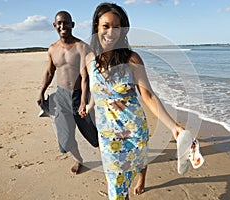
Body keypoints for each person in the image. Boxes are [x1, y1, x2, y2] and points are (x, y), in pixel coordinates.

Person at [81, 3, 198, 199]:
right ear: (96, 27)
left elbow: (149, 96)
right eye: (106, 26)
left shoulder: (132, 60)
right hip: (107, 136)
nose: (111, 32)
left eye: (116, 27)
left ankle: (141, 178)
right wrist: (89, 105)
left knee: (137, 163)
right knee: (117, 187)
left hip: (133, 130)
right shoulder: (89, 59)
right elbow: (97, 91)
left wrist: (173, 127)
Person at [37, 11, 98, 175]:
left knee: (94, 136)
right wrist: (41, 92)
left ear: (73, 24)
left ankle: (115, 148)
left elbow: (85, 77)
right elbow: (49, 73)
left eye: (66, 22)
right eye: (59, 23)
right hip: (61, 97)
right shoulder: (52, 49)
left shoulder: (82, 47)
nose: (63, 26)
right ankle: (79, 160)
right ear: (55, 26)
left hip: (79, 95)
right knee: (65, 137)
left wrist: (84, 101)